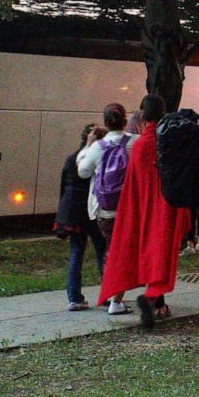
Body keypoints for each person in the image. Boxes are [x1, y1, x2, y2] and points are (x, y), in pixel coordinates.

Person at [97, 95, 192, 327]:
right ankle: (154, 298)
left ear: (142, 115)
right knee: (162, 255)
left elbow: (134, 185)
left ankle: (153, 300)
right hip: (167, 209)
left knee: (147, 253)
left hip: (143, 210)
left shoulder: (139, 145)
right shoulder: (170, 141)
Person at [76, 102, 136, 315]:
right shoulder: (135, 142)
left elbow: (83, 171)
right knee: (122, 254)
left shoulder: (98, 147)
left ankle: (113, 297)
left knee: (112, 252)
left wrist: (87, 146)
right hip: (129, 209)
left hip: (105, 210)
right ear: (125, 121)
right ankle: (116, 300)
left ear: (105, 123)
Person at [56, 123, 108, 311]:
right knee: (102, 251)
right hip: (92, 212)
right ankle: (107, 295)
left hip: (73, 213)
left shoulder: (71, 159)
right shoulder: (98, 159)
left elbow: (64, 187)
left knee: (76, 252)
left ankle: (74, 297)